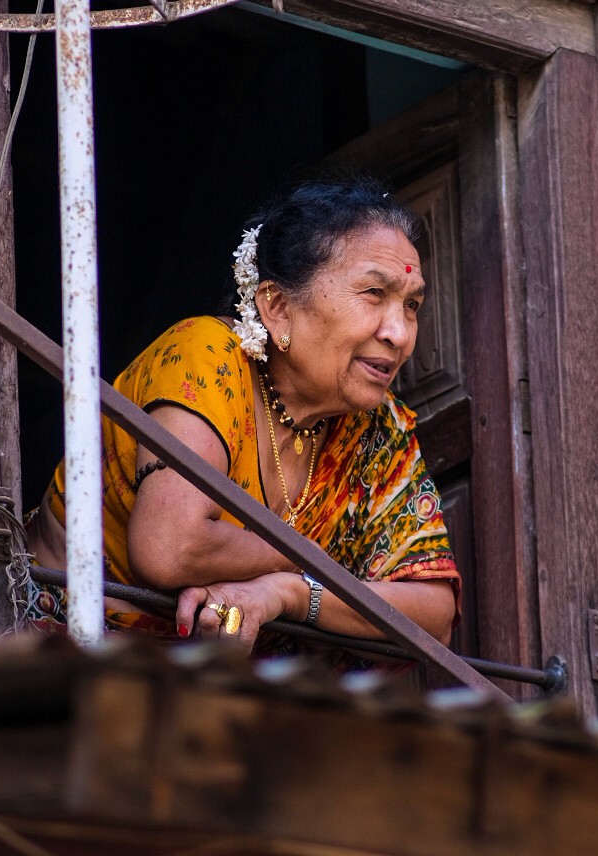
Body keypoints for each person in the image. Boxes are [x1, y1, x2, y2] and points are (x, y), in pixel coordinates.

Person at [26, 178, 460, 649]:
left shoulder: (376, 426)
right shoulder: (207, 355)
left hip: (201, 695)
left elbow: (434, 613)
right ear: (276, 307)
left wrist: (293, 594)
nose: (399, 333)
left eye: (411, 304)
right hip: (55, 654)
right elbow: (169, 547)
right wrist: (305, 559)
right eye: (374, 293)